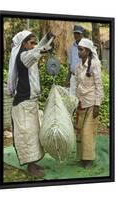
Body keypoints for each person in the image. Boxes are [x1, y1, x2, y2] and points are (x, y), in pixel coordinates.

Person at [7, 30, 54, 177]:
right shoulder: (23, 56)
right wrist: (46, 48)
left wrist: (48, 37)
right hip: (23, 104)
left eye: (35, 42)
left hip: (30, 103)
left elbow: (38, 47)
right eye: (31, 42)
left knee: (33, 135)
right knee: (27, 137)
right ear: (24, 44)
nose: (34, 45)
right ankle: (30, 166)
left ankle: (33, 163)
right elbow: (37, 52)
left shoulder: (29, 52)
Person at [75, 38, 104, 169]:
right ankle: (82, 157)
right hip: (81, 102)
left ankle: (89, 160)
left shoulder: (95, 64)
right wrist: (76, 101)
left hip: (92, 103)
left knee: (88, 132)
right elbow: (77, 85)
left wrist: (97, 105)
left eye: (81, 50)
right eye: (78, 49)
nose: (78, 52)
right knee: (80, 132)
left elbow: (99, 85)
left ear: (87, 51)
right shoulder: (79, 65)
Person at [67, 25, 84, 96]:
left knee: (81, 98)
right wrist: (68, 78)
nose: (76, 35)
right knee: (72, 98)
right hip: (73, 76)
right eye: (75, 33)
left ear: (82, 34)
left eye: (78, 33)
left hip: (83, 77)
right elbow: (70, 63)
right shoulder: (72, 47)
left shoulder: (85, 47)